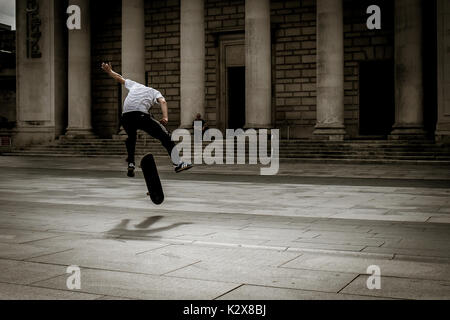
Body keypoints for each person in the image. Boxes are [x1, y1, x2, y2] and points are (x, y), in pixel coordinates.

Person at [101, 62, 192, 177]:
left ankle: (131, 163)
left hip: (125, 117)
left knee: (131, 138)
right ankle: (178, 163)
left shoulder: (135, 85)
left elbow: (119, 78)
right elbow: (163, 102)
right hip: (140, 116)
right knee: (165, 136)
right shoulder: (154, 92)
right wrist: (165, 117)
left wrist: (109, 71)